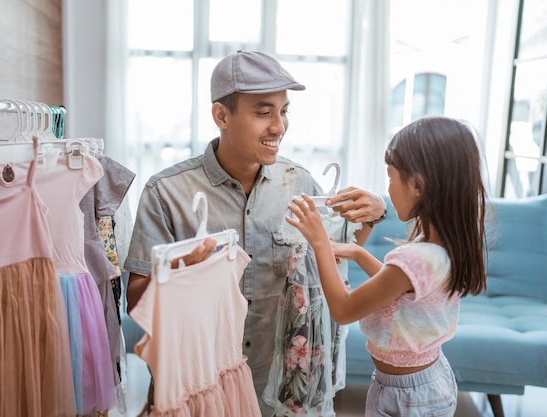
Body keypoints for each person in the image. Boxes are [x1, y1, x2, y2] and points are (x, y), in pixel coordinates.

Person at [124, 50, 387, 416]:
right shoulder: (166, 193)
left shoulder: (300, 183)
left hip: (276, 391)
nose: (279, 126)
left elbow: (332, 255)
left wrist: (373, 215)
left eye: (284, 111)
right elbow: (135, 303)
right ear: (221, 115)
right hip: (200, 389)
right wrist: (181, 270)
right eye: (264, 112)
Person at [284, 115, 489, 417]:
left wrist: (319, 242)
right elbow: (397, 290)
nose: (387, 189)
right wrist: (356, 252)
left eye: (391, 176)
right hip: (428, 382)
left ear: (418, 185)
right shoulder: (442, 247)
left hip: (406, 396)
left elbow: (343, 309)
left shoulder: (414, 258)